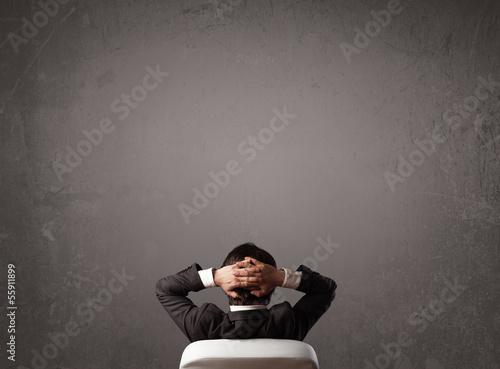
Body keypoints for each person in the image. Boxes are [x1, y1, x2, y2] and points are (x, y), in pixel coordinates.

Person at [155, 242, 337, 342]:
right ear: (269, 288)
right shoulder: (288, 324)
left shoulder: (203, 325)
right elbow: (326, 289)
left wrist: (215, 276)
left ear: (228, 286)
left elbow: (164, 289)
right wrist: (280, 277)